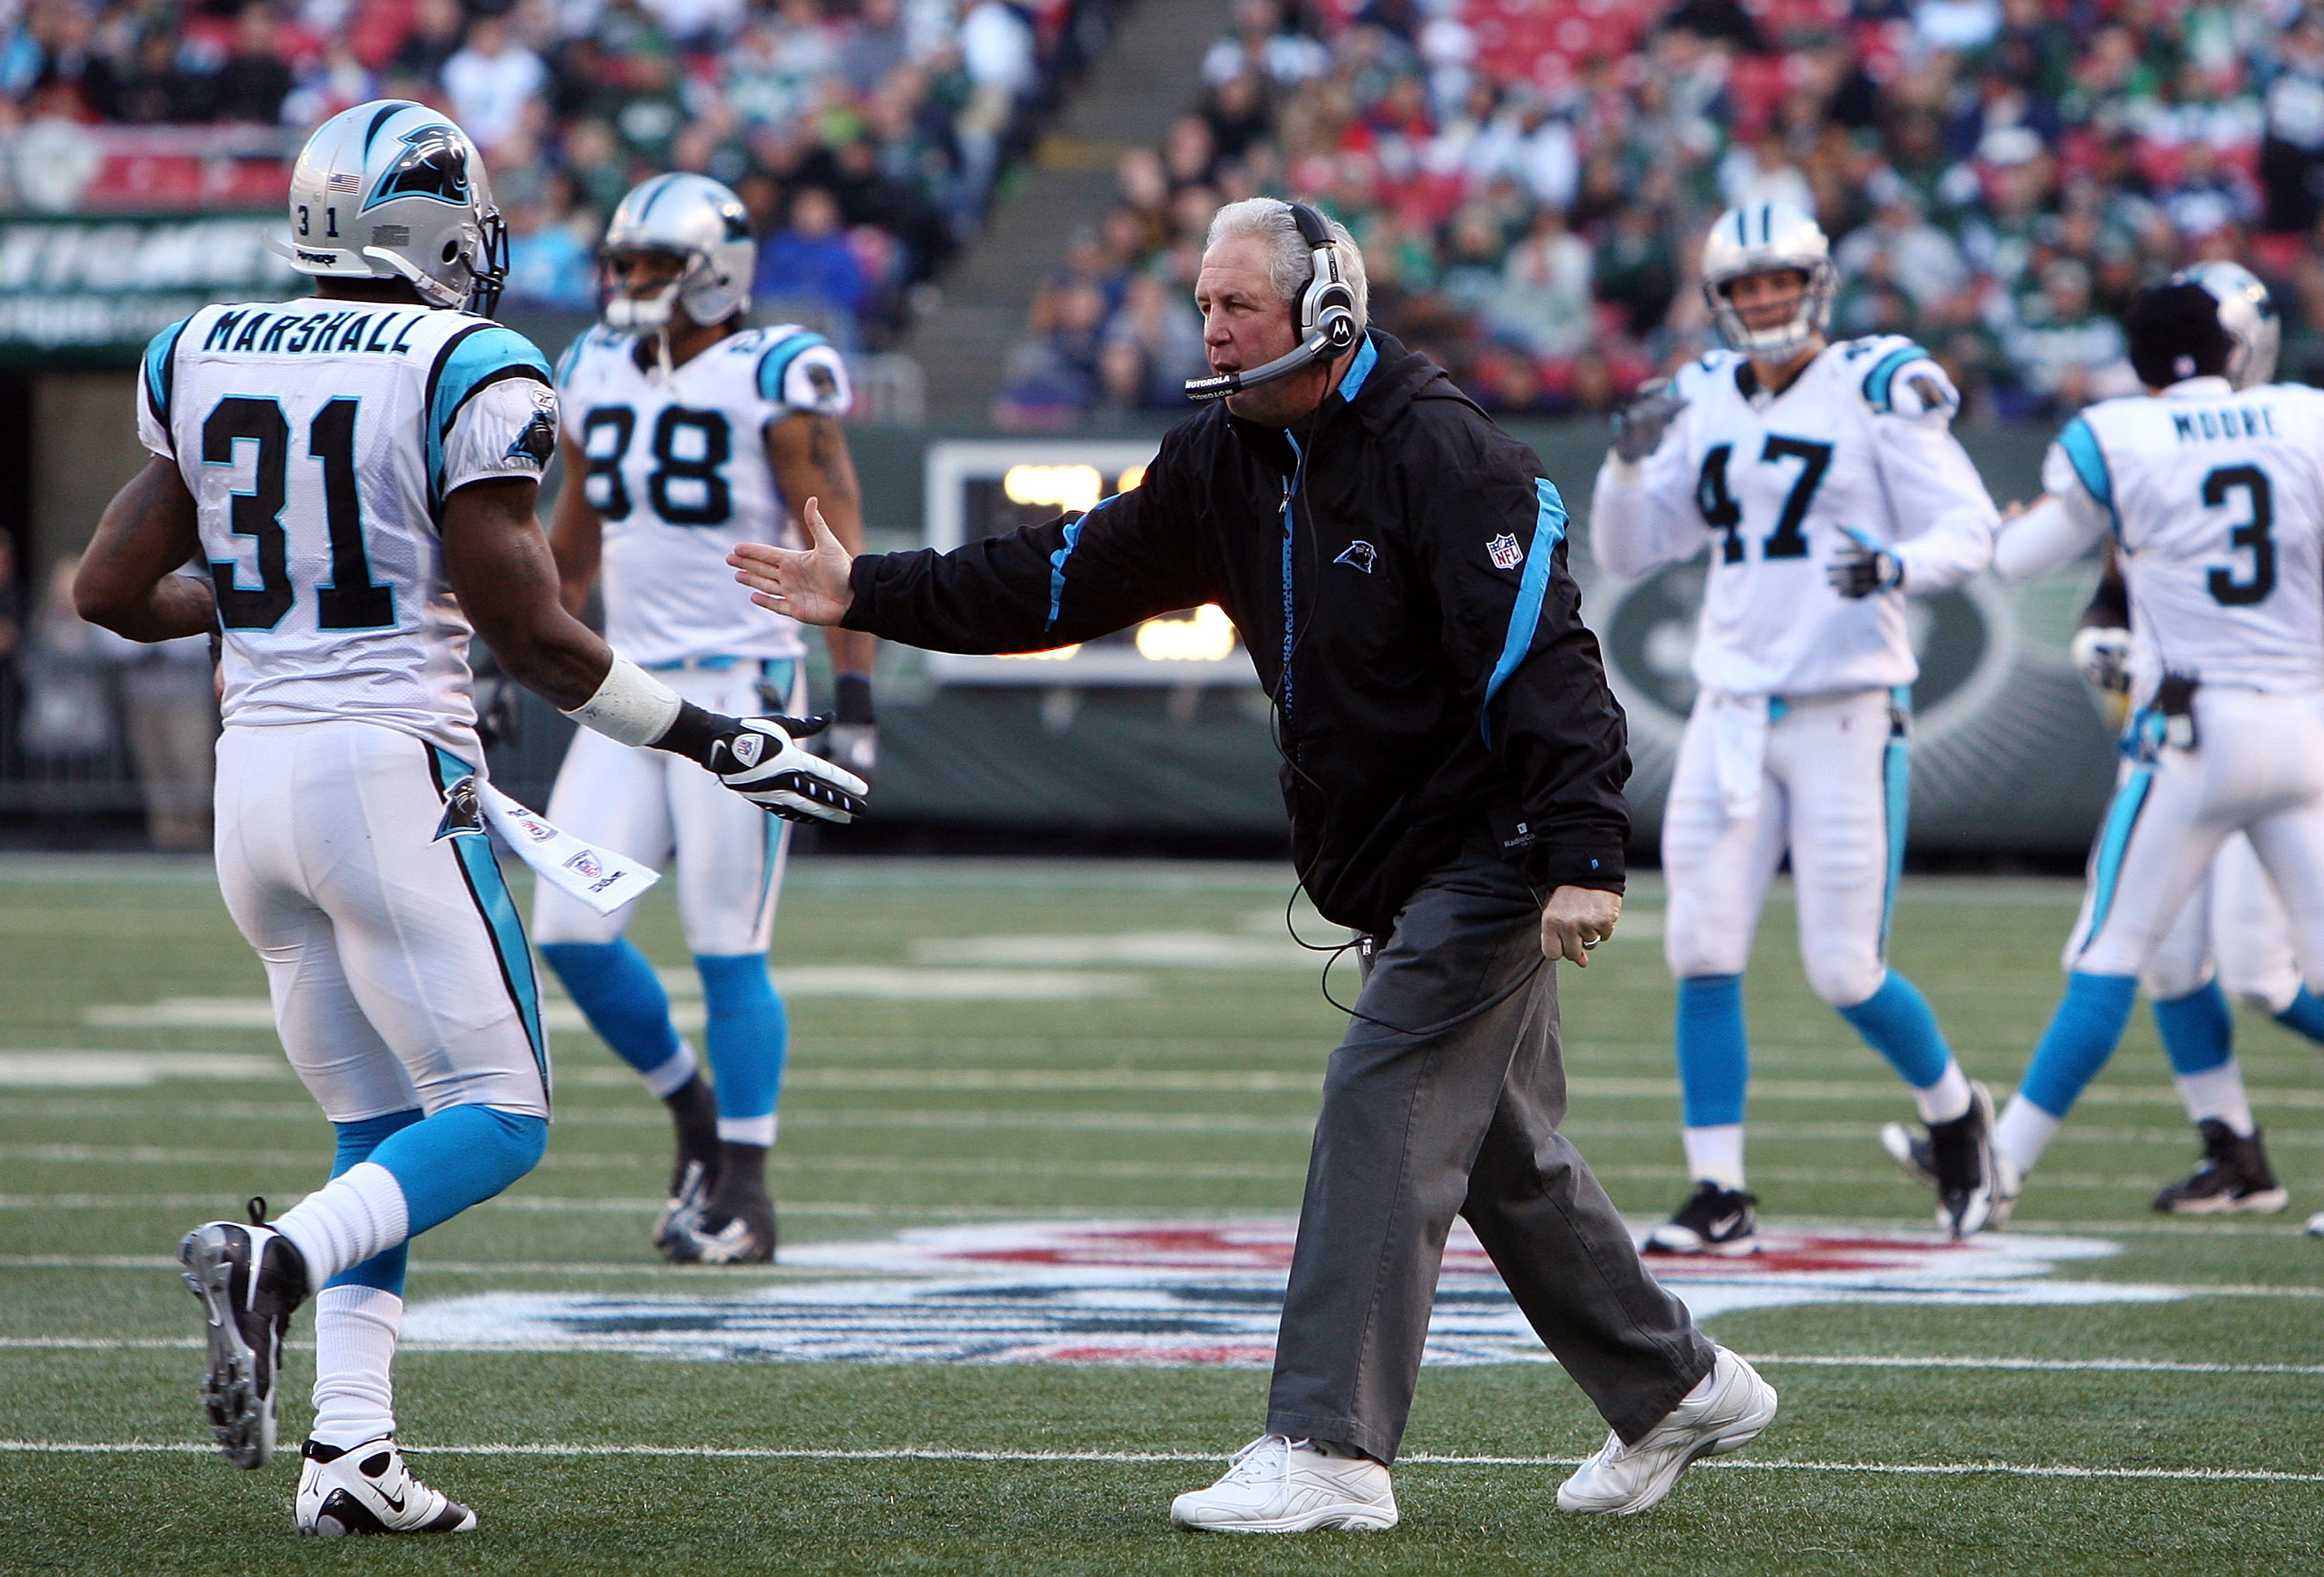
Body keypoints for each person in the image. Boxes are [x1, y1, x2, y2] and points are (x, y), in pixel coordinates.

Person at [733, 197, 1776, 1531]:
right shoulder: (1223, 458)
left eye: (1238, 307)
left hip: (1492, 846)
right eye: (1206, 304)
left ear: (1325, 316)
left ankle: (1332, 1443)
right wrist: (869, 591)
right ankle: (1674, 1383)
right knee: (1501, 1156)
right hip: (1391, 860)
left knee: (1381, 1100)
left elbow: (1548, 665)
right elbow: (1059, 574)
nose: (1211, 330)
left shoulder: (1452, 457)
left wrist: (1583, 847)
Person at [70, 100, 866, 1536]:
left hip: (252, 790)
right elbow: (544, 638)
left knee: (381, 1126)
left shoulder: (201, 348)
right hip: (387, 772)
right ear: (427, 225)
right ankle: (276, 1263)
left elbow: (110, 594)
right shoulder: (467, 360)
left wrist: (257, 608)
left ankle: (349, 1455)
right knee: (497, 1117)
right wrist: (720, 738)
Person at [1588, 201, 2005, 1250]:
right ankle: (1718, 1190)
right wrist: (1627, 466)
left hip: (1846, 712)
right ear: (1723, 300)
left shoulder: (1874, 386)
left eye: (1781, 282)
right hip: (1731, 712)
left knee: (1844, 969)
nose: (1766, 301)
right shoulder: (1704, 396)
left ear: (1815, 286)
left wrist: (1899, 565)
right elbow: (1633, 550)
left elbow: (1972, 526)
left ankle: (1958, 1115)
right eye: (1746, 286)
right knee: (1701, 945)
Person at [537, 171, 874, 1265]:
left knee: (729, 947)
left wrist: (854, 691)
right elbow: (578, 535)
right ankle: (693, 1116)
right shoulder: (591, 363)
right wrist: (520, 642)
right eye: (624, 262)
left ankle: (750, 1192)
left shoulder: (776, 370)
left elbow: (837, 542)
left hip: (744, 689)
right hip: (627, 687)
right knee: (571, 933)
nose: (628, 282)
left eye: (652, 265)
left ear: (715, 271)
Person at [1982, 263, 2324, 1221]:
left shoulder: (2120, 435)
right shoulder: (2305, 418)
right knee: (2220, 961)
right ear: (2235, 347)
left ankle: (1996, 1164)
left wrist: (2000, 531)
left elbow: (2018, 558)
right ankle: (2233, 1152)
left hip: (2197, 732)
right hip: (2303, 727)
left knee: (2112, 947)